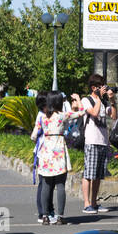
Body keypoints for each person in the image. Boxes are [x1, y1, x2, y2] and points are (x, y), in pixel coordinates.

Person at [33, 92, 70, 224]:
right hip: (59, 151)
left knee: (46, 186)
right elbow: (80, 113)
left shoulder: (42, 117)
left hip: (46, 152)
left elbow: (33, 136)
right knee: (60, 185)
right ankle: (60, 216)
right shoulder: (62, 116)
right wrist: (78, 99)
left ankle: (45, 216)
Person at [79, 74, 114, 213]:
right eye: (100, 87)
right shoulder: (86, 100)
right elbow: (93, 113)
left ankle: (94, 202)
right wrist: (99, 98)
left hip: (103, 141)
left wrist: (112, 100)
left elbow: (114, 115)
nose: (103, 89)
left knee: (98, 174)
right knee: (89, 173)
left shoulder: (104, 102)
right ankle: (86, 203)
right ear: (94, 88)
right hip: (91, 140)